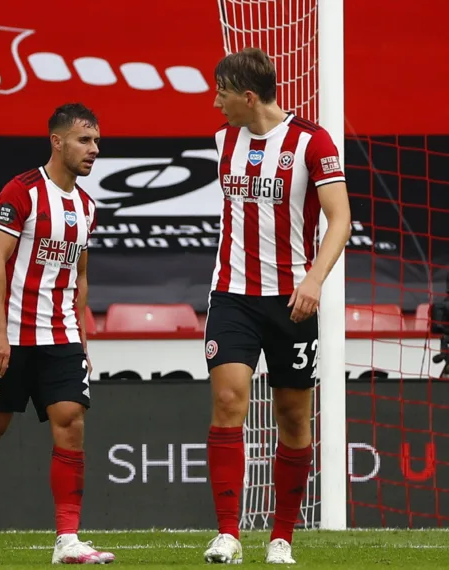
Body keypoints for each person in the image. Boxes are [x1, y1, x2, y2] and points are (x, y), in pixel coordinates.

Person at [0, 103, 115, 565]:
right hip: (12, 334)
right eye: (84, 140)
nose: (94, 149)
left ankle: (68, 541)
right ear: (57, 141)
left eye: (96, 141)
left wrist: (81, 338)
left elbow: (80, 277)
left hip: (60, 337)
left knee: (71, 423)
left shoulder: (87, 206)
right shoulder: (23, 192)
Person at [201, 47, 351, 565]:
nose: (215, 102)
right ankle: (228, 535)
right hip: (232, 295)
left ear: (247, 96)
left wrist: (313, 280)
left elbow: (341, 220)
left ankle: (281, 537)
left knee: (292, 416)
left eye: (221, 91)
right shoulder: (222, 141)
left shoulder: (313, 142)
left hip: (292, 302)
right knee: (228, 400)